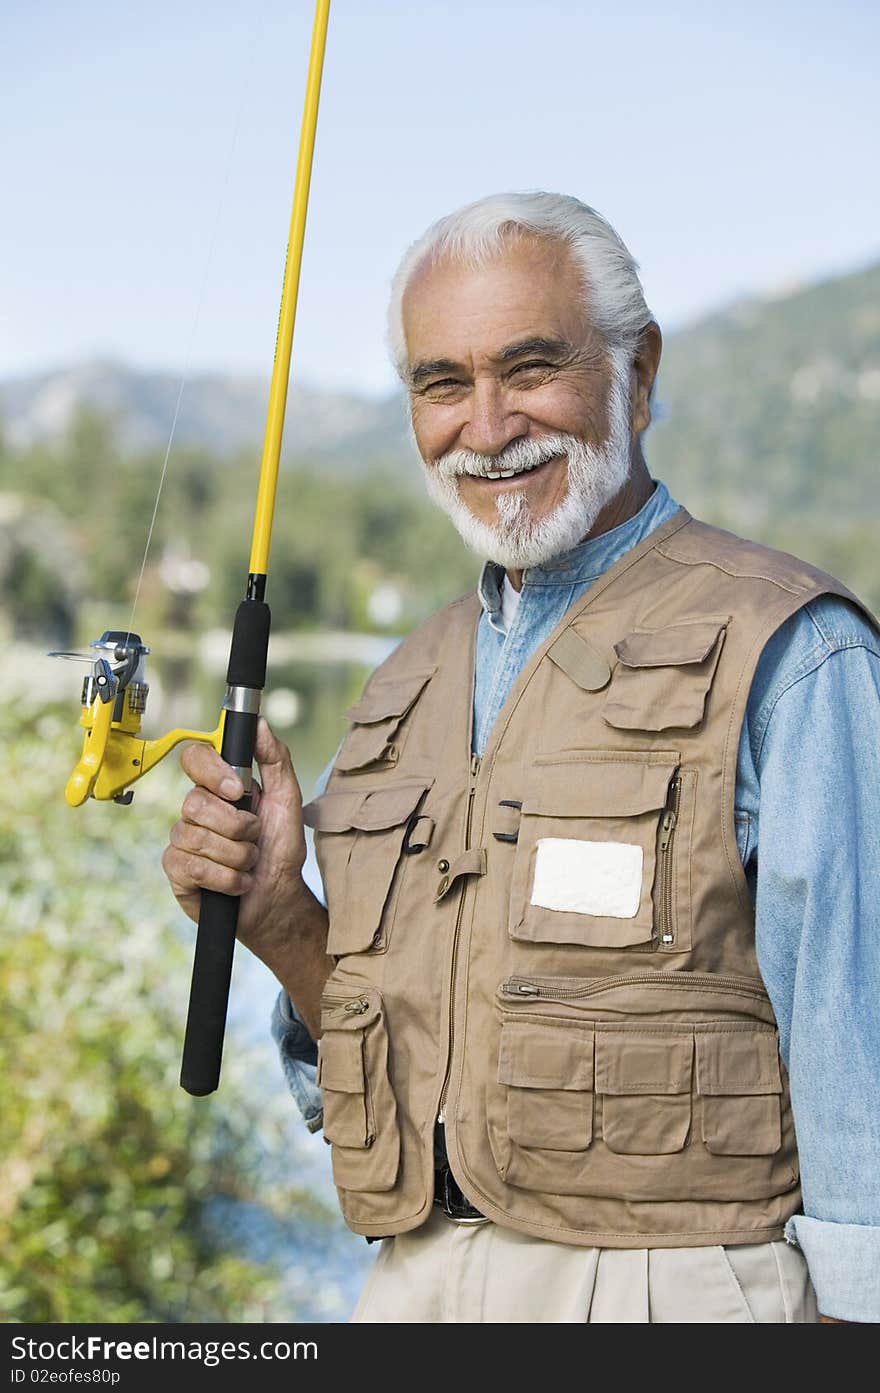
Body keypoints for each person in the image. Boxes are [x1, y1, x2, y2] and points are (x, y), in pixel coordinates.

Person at [161, 192, 880, 1324]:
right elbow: (364, 1078)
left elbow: (862, 1073)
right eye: (441, 383)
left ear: (637, 376)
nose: (486, 427)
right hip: (412, 1286)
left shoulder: (794, 652)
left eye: (529, 368)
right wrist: (279, 915)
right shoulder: (404, 683)